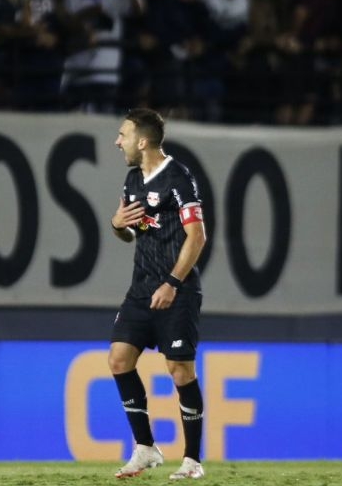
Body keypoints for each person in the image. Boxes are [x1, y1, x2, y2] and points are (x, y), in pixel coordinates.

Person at [108, 107, 207, 482]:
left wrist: (173, 283)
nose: (118, 141)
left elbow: (197, 237)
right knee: (118, 359)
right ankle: (145, 447)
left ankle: (192, 460)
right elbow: (132, 232)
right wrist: (117, 225)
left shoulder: (179, 179)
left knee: (180, 371)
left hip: (176, 290)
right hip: (141, 288)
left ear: (142, 140)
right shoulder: (133, 180)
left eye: (123, 135)